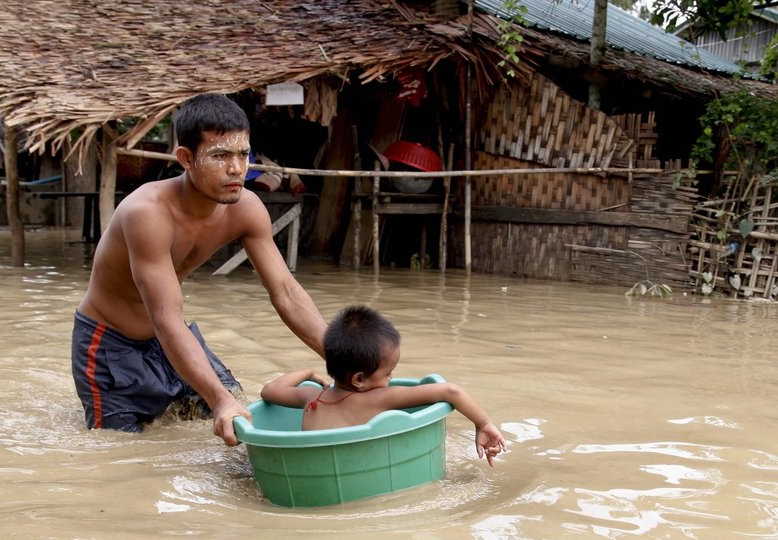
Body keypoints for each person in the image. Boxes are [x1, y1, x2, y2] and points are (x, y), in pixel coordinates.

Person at [72, 93, 327, 445]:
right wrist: (218, 398)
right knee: (122, 453)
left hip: (171, 337)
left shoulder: (246, 208)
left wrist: (343, 361)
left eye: (243, 154)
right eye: (220, 155)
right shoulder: (146, 213)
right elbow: (166, 318)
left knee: (238, 419)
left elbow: (285, 291)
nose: (237, 168)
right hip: (110, 343)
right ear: (186, 158)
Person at [261, 305, 507, 466]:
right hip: (361, 478)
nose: (390, 379)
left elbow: (269, 391)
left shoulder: (311, 398)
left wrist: (307, 372)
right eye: (388, 373)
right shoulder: (379, 399)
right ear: (359, 380)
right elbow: (451, 392)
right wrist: (483, 424)